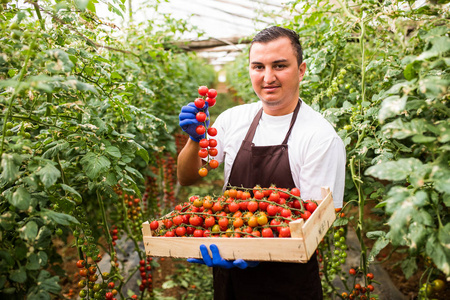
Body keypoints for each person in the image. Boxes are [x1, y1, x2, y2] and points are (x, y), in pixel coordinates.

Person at [177, 26, 346, 300]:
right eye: (258, 66)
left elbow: (314, 227)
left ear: (301, 70)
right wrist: (194, 140)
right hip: (229, 277)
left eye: (280, 65)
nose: (268, 77)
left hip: (288, 283)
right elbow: (186, 177)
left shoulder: (320, 137)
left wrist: (257, 251)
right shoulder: (233, 120)